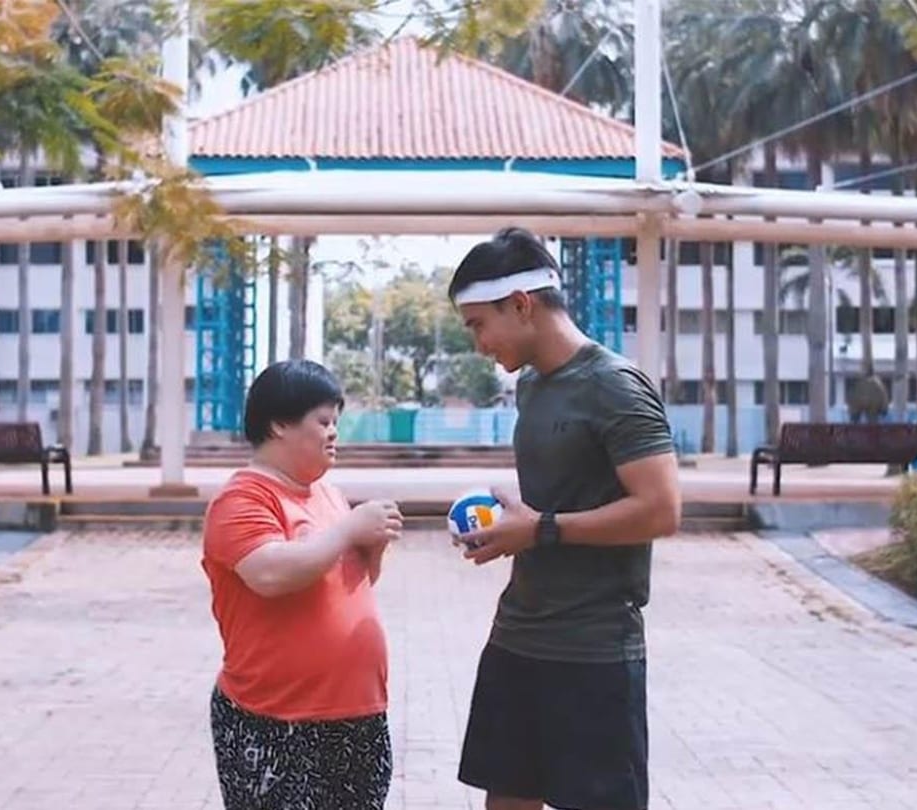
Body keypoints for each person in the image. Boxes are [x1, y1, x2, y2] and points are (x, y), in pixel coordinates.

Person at [447, 227, 682, 810]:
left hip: (595, 649)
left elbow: (661, 509)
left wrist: (541, 529)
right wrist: (514, 525)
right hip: (519, 635)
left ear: (521, 305)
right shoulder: (531, 386)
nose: (478, 343)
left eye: (479, 324)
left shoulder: (615, 386)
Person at [201, 359, 404, 809]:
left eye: (336, 421)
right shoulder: (243, 498)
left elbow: (349, 583)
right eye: (323, 421)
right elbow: (271, 574)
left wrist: (372, 550)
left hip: (355, 716)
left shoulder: (328, 495)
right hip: (276, 720)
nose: (334, 432)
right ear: (279, 424)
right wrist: (351, 530)